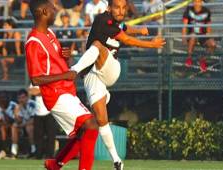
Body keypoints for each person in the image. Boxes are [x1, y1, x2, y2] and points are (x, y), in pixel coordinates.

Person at [70, 0, 165, 169]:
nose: (121, 11)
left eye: (123, 7)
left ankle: (72, 71)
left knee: (98, 46)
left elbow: (125, 29)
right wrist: (151, 43)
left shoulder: (115, 22)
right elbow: (126, 38)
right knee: (101, 120)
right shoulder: (101, 19)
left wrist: (140, 31)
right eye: (117, 7)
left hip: (111, 69)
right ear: (109, 8)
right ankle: (117, 160)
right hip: (92, 75)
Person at [25, 0, 98, 170]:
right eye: (52, 8)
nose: (55, 9)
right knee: (91, 125)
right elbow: (36, 79)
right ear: (43, 11)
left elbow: (55, 62)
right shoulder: (33, 42)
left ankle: (55, 164)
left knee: (83, 132)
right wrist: (66, 74)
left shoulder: (50, 33)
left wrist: (65, 57)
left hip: (65, 89)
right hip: (55, 93)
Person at [182, 0, 216, 72]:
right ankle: (189, 58)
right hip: (191, 34)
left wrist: (209, 36)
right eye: (195, 1)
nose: (197, 3)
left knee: (213, 44)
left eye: (198, 1)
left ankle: (203, 60)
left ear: (201, 2)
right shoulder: (188, 10)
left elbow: (208, 26)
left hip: (203, 35)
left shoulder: (206, 11)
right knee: (193, 35)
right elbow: (184, 25)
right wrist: (184, 38)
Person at [29, 85, 57, 159]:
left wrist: (38, 91)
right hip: (37, 113)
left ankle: (50, 155)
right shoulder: (35, 80)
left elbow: (53, 91)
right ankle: (38, 155)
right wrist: (45, 90)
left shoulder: (49, 79)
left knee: (51, 136)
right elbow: (31, 91)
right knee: (38, 136)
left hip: (49, 112)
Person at [10, 89, 36, 158]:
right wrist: (16, 112)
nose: (21, 100)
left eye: (23, 97)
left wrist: (23, 125)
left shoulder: (32, 104)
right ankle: (14, 151)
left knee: (29, 127)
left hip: (35, 126)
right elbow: (19, 121)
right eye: (19, 98)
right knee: (14, 126)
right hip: (24, 125)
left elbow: (33, 120)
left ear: (27, 97)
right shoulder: (18, 106)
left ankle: (33, 150)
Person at [0, 91, 17, 159]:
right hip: (5, 126)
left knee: (3, 128)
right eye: (0, 98)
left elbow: (13, 120)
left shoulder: (13, 105)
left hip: (15, 126)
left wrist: (4, 111)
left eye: (3, 97)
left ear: (8, 98)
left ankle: (6, 151)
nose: (2, 99)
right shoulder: (0, 107)